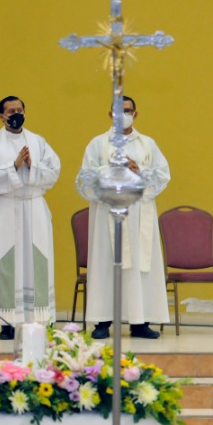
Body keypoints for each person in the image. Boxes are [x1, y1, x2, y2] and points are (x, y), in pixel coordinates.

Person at [75, 96, 171, 340]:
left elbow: (162, 176)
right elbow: (84, 179)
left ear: (136, 114)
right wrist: (112, 169)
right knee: (106, 266)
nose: (124, 115)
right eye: (119, 111)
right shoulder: (98, 144)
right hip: (109, 212)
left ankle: (140, 322)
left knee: (140, 266)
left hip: (139, 213)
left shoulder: (147, 144)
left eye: (128, 111)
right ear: (110, 114)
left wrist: (139, 170)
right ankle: (103, 321)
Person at [0, 96, 61, 341]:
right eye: (11, 111)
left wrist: (33, 166)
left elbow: (54, 172)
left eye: (20, 109)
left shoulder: (38, 142)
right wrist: (13, 167)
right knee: (7, 260)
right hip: (7, 209)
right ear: (1, 116)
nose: (16, 114)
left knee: (37, 259)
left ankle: (38, 317)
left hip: (34, 208)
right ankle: (7, 321)